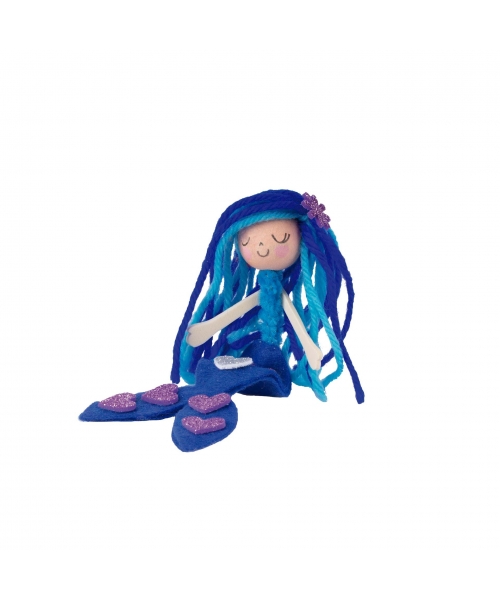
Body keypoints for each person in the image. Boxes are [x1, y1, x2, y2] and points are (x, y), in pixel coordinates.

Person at [80, 189, 364, 451]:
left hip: (271, 363)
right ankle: (201, 402)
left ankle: (209, 404)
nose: (261, 249)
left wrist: (309, 347)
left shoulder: (277, 291)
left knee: (232, 371)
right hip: (254, 356)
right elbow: (239, 308)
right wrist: (209, 328)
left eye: (279, 240)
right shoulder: (262, 288)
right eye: (248, 242)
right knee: (220, 369)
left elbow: (290, 314)